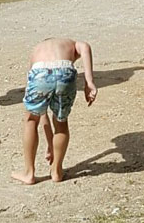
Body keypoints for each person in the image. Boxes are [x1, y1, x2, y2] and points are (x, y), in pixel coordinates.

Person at [11, 37, 96, 185]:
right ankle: (56, 171)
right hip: (65, 72)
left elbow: (42, 113)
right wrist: (89, 82)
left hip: (40, 72)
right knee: (61, 121)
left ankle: (29, 173)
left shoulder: (37, 49)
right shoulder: (70, 43)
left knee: (31, 119)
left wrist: (50, 144)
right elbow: (85, 47)